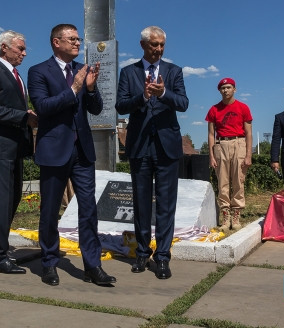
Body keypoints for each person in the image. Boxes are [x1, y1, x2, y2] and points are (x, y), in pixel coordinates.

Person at [27, 24, 116, 286]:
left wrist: (89, 88)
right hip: (54, 150)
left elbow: (97, 109)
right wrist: (74, 89)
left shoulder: (83, 70)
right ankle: (49, 264)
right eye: (72, 39)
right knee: (50, 210)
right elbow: (43, 107)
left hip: (82, 152)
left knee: (88, 210)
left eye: (78, 39)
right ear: (57, 42)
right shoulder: (38, 71)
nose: (78, 43)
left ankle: (92, 266)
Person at [115, 26, 189, 279]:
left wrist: (164, 93)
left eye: (161, 45)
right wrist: (143, 96)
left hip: (167, 147)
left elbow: (184, 103)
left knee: (166, 205)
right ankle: (142, 253)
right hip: (139, 147)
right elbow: (120, 105)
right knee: (142, 203)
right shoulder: (128, 72)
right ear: (143, 45)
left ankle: (163, 257)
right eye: (153, 45)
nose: (158, 49)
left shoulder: (174, 71)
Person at [0, 30, 37, 274]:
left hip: (15, 148)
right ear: (4, 47)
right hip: (0, 148)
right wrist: (24, 117)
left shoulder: (16, 75)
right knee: (3, 202)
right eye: (20, 49)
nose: (24, 53)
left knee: (13, 199)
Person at [205, 78, 253, 231]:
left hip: (239, 143)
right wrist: (211, 156)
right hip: (221, 144)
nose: (225, 90)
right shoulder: (214, 109)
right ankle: (226, 217)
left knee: (238, 180)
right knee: (223, 182)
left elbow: (249, 133)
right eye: (223, 88)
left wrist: (248, 155)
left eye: (228, 87)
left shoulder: (243, 107)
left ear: (234, 89)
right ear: (219, 91)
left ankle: (236, 216)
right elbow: (211, 134)